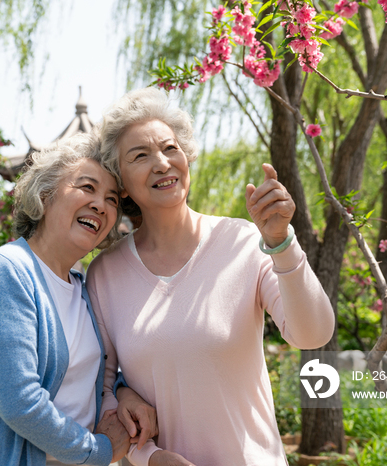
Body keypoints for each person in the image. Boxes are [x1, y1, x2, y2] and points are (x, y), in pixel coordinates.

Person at [87, 88, 335, 466]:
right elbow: (100, 390)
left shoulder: (244, 241)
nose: (162, 163)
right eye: (140, 156)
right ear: (120, 183)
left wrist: (281, 242)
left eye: (170, 149)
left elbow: (313, 333)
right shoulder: (105, 273)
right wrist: (150, 457)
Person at [0, 133, 156, 466]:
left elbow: (93, 373)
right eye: (87, 188)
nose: (101, 205)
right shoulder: (5, 273)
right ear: (45, 195)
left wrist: (121, 391)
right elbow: (21, 402)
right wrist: (98, 451)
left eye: (112, 199)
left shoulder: (83, 287)